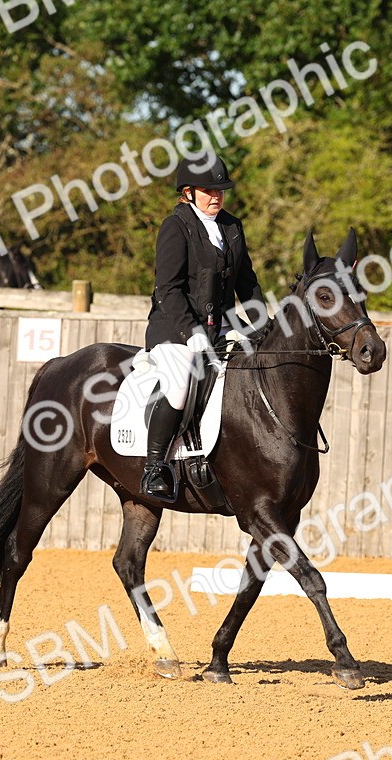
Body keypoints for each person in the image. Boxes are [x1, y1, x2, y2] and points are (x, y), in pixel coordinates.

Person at [140, 153, 265, 502]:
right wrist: (191, 331)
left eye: (221, 190)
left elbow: (247, 283)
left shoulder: (232, 227)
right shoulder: (175, 226)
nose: (216, 197)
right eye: (209, 191)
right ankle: (155, 467)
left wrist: (262, 326)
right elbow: (168, 289)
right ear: (188, 192)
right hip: (173, 327)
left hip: (221, 326)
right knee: (180, 383)